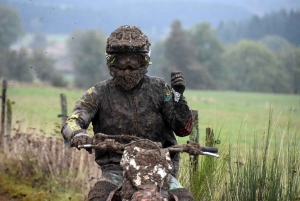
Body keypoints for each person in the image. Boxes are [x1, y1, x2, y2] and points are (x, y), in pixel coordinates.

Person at [61, 25, 194, 201]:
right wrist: (78, 134)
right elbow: (72, 121)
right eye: (122, 60)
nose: (128, 66)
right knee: (98, 197)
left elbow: (183, 129)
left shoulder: (160, 89)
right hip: (116, 169)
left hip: (159, 168)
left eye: (134, 60)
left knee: (185, 198)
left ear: (145, 60)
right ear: (111, 61)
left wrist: (178, 97)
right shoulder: (98, 93)